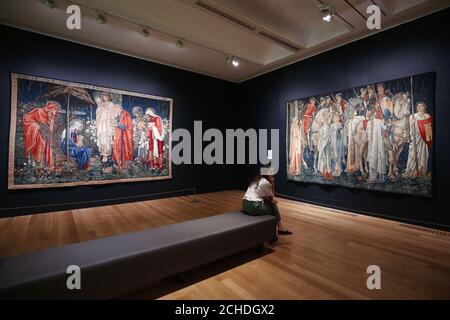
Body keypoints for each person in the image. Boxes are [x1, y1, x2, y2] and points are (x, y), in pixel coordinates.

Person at [242, 170, 292, 236]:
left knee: (272, 205)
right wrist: (273, 182)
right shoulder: (266, 182)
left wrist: (269, 200)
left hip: (245, 205)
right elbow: (272, 196)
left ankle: (278, 229)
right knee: (273, 207)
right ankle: (278, 229)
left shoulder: (256, 180)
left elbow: (261, 195)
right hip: (253, 207)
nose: (273, 174)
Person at [23, 100, 61, 172]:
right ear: (50, 107)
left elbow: (50, 130)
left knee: (46, 151)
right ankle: (36, 169)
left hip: (46, 139)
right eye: (54, 110)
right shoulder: (38, 111)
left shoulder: (52, 118)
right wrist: (35, 125)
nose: (54, 113)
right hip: (36, 137)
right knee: (38, 151)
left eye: (56, 111)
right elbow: (26, 118)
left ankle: (44, 169)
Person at [405, 102, 432, 177]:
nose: (419, 107)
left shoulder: (427, 116)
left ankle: (421, 172)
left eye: (421, 106)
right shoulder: (413, 116)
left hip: (423, 139)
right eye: (418, 106)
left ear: (425, 107)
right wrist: (412, 122)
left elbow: (429, 131)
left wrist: (429, 141)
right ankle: (411, 172)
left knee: (423, 155)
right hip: (415, 138)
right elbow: (410, 127)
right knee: (413, 154)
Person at [95, 93, 120, 163]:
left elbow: (114, 114)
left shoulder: (111, 104)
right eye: (103, 96)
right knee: (101, 137)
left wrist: (107, 112)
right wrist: (100, 108)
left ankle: (106, 154)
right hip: (102, 123)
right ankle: (103, 153)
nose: (105, 98)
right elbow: (98, 113)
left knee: (107, 138)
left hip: (107, 123)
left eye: (106, 96)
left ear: (109, 97)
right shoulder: (101, 104)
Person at [112, 105, 133, 169]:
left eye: (116, 109)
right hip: (119, 136)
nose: (115, 111)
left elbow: (125, 126)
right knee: (118, 148)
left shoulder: (125, 114)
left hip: (125, 136)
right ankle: (119, 163)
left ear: (120, 109)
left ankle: (124, 164)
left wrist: (117, 124)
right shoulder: (118, 115)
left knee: (124, 149)